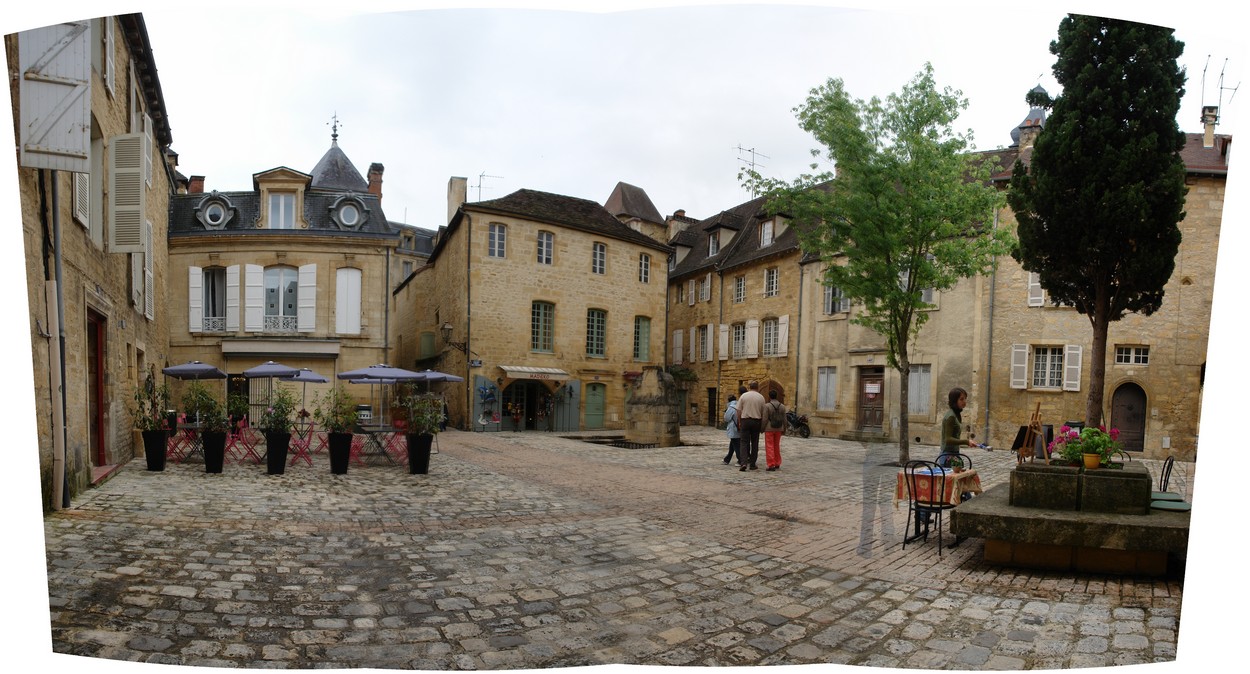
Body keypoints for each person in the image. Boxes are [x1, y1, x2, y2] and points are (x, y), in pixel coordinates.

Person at [938, 387, 978, 465]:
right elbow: (948, 439)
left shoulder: (957, 414)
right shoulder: (951, 416)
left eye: (965, 399)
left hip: (954, 453)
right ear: (954, 401)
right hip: (947, 455)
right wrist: (966, 442)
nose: (964, 402)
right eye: (961, 399)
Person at [735, 381, 767, 471]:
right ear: (757, 387)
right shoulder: (761, 397)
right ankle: (752, 464)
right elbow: (763, 412)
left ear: (749, 387)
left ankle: (743, 463)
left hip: (745, 420)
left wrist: (740, 421)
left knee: (744, 442)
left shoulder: (744, 396)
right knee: (754, 442)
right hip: (756, 421)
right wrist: (762, 425)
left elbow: (738, 410)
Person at [763, 390, 788, 471]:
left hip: (769, 428)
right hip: (779, 428)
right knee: (776, 445)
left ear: (769, 396)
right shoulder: (782, 406)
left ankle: (771, 464)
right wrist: (784, 428)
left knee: (769, 446)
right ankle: (777, 462)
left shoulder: (767, 406)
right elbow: (785, 419)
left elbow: (765, 419)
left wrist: (762, 428)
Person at [722, 395, 740, 465]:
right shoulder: (739, 405)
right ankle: (727, 459)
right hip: (739, 427)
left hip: (733, 428)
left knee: (736, 445)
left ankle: (740, 460)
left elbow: (727, 418)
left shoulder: (731, 408)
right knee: (733, 444)